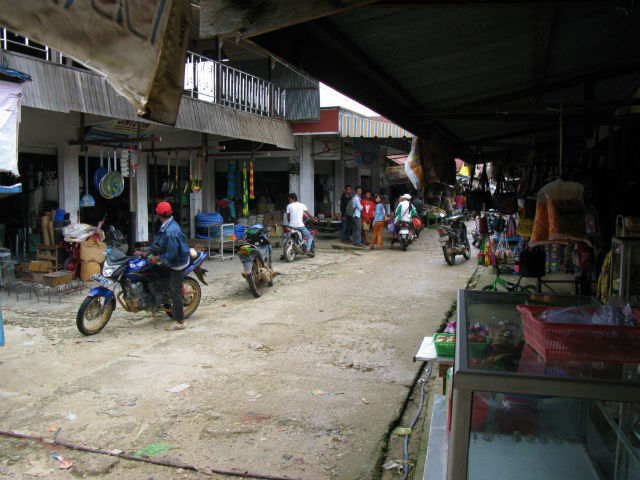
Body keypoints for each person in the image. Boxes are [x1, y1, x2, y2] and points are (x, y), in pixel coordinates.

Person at [141, 202, 191, 331]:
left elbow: (172, 254)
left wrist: (157, 258)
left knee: (175, 292)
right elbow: (158, 243)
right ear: (170, 213)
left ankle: (180, 321)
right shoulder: (167, 225)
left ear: (158, 214)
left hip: (176, 263)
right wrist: (146, 252)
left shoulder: (170, 231)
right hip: (171, 259)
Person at [286, 192, 318, 257]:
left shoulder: (289, 206)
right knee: (309, 237)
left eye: (289, 199)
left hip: (291, 226)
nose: (289, 201)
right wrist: (314, 219)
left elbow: (288, 217)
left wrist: (290, 223)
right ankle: (308, 250)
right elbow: (308, 214)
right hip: (300, 226)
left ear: (293, 199)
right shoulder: (302, 205)